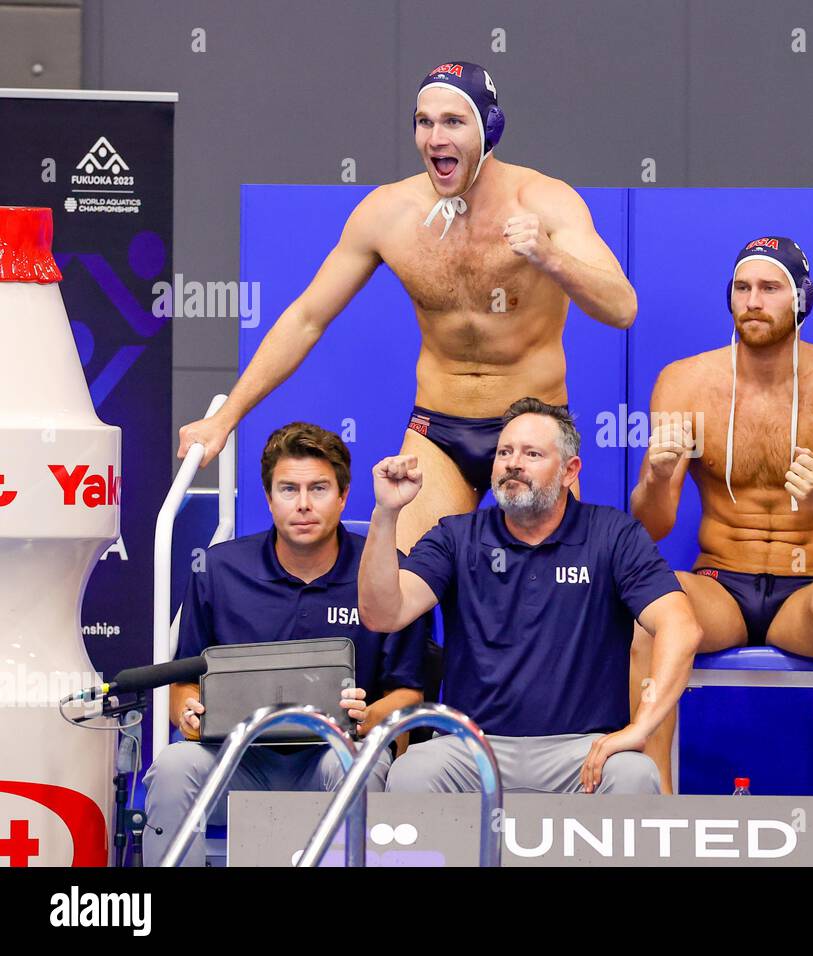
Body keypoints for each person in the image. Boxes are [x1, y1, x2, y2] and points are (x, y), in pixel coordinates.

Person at [177, 61, 637, 551]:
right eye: (424, 122)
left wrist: (550, 257)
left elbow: (621, 307)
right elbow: (307, 318)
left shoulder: (545, 201)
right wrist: (226, 417)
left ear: (490, 128)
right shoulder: (388, 213)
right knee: (400, 583)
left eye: (453, 122)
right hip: (438, 430)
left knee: (552, 590)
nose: (435, 137)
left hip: (532, 430)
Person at [629, 236, 813, 794]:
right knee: (652, 608)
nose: (753, 301)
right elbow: (651, 528)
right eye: (743, 288)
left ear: (802, 300)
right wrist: (654, 475)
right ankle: (653, 805)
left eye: (770, 288)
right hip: (720, 585)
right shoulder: (685, 383)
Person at [360, 398, 702, 794]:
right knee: (413, 772)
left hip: (581, 750)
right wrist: (385, 513)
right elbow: (382, 614)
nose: (513, 464)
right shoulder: (457, 535)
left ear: (569, 471)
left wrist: (640, 727)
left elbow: (682, 627)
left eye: (532, 454)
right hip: (472, 747)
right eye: (504, 452)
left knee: (634, 775)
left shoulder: (613, 534)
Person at [143, 423, 426, 866]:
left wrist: (368, 717)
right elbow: (184, 680)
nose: (304, 504)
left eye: (319, 488)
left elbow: (409, 692)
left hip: (334, 756)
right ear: (269, 497)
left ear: (343, 496)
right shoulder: (219, 569)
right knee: (175, 767)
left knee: (355, 767)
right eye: (288, 489)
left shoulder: (386, 572)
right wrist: (188, 712)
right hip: (236, 760)